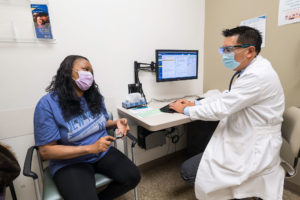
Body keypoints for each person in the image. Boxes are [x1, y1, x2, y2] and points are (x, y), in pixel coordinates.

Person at [170, 26, 285, 200]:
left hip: (254, 146)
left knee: (188, 171)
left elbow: (221, 108)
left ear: (250, 51)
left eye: (229, 49)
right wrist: (196, 103)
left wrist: (185, 109)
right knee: (210, 143)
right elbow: (229, 97)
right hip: (246, 135)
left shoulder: (257, 75)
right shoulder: (254, 69)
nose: (224, 54)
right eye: (223, 49)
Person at [34, 55, 141, 200]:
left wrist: (115, 123)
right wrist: (90, 148)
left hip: (101, 153)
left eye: (91, 71)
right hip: (70, 162)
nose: (89, 74)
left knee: (133, 177)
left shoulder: (94, 96)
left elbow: (100, 123)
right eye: (85, 69)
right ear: (67, 72)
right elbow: (46, 151)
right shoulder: (47, 104)